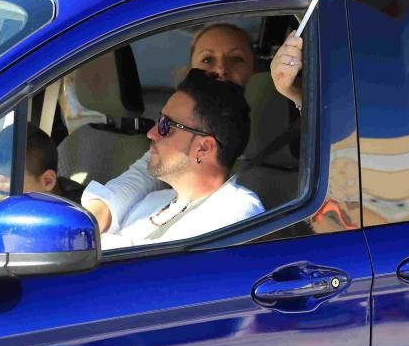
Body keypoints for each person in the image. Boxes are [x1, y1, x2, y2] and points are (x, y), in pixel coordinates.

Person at [83, 22, 299, 232]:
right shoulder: (159, 192)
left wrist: (297, 97)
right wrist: (88, 222)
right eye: (207, 59)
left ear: (256, 71)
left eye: (236, 59)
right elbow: (140, 178)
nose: (221, 70)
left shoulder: (237, 207)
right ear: (190, 70)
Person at [85, 68, 263, 250]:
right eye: (158, 120)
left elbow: (156, 264)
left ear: (203, 148)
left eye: (166, 125)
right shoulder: (153, 201)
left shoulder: (237, 208)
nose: (151, 133)